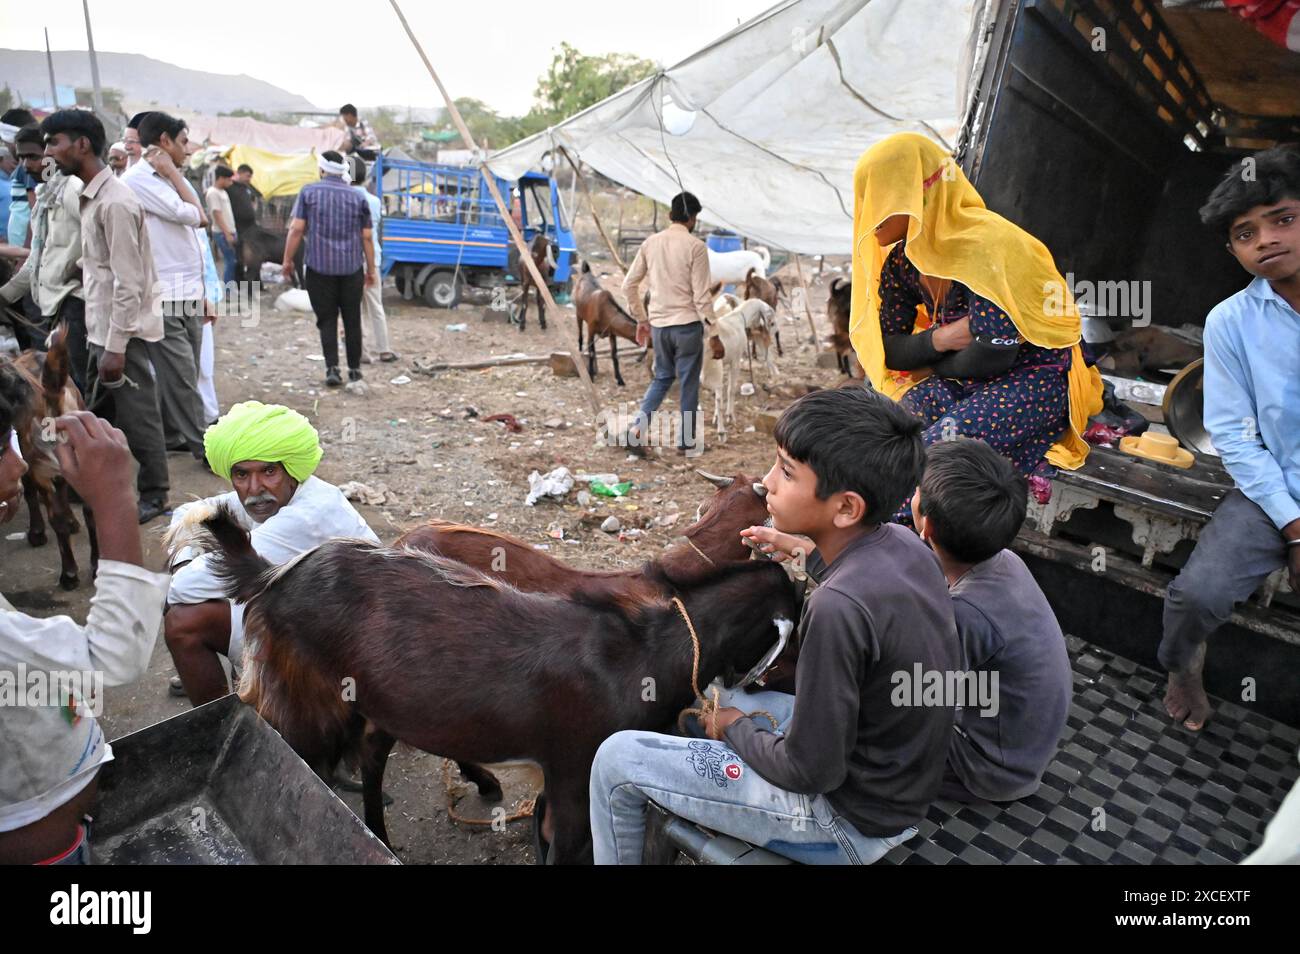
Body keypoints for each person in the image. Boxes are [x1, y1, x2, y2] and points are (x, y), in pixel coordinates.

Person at [590, 387, 961, 864]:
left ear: (846, 508)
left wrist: (736, 728)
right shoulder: (905, 547)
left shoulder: (836, 608)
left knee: (617, 759)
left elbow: (811, 772)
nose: (767, 483)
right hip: (896, 786)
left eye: (786, 472)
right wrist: (801, 548)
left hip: (843, 821)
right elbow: (863, 593)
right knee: (721, 699)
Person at [850, 133, 1104, 500]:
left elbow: (993, 355)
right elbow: (889, 349)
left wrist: (931, 362)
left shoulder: (988, 247)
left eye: (878, 196)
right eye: (864, 199)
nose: (867, 213)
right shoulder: (902, 264)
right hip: (960, 377)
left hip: (1029, 379)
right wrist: (941, 339)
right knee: (884, 440)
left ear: (915, 192)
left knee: (932, 461)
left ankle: (894, 545)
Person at [1159, 145, 1300, 732]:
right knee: (1198, 594)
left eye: (1283, 219)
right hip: (1275, 488)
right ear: (1232, 250)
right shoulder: (1230, 323)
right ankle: (1181, 665)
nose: (1265, 240)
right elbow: (1238, 440)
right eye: (1246, 233)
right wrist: (1294, 526)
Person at [0, 383, 169, 865]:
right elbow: (116, 653)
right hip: (43, 847)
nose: (19, 462)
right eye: (5, 447)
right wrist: (115, 497)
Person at [163, 402, 378, 705]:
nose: (255, 488)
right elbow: (189, 513)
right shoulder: (273, 496)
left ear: (291, 471)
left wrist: (184, 567)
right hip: (323, 618)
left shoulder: (306, 516)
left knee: (183, 622)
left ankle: (222, 724)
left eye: (268, 471)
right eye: (241, 474)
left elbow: (182, 588)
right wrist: (186, 561)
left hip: (353, 648)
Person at [910, 438, 1072, 802]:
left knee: (861, 729)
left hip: (990, 770)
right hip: (1021, 744)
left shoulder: (967, 613)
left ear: (928, 526)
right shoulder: (1003, 560)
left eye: (917, 490)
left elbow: (918, 703)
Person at [41, 108, 170, 524]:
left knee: (138, 415)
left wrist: (115, 347)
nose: (49, 152)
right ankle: (92, 481)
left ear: (81, 144)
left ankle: (155, 493)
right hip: (101, 327)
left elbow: (129, 283)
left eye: (54, 142)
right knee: (99, 412)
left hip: (122, 333)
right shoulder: (92, 197)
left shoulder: (115, 202)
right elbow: (103, 269)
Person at [123, 111, 211, 465]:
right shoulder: (140, 180)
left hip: (188, 291)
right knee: (183, 376)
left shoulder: (162, 178)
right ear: (164, 141)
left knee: (183, 373)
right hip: (167, 294)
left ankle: (173, 435)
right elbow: (198, 215)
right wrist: (173, 174)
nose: (187, 149)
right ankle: (204, 449)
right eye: (183, 141)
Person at [621, 190, 713, 458]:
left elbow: (629, 286)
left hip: (659, 326)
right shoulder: (696, 247)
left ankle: (637, 429)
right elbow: (701, 296)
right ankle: (685, 442)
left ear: (670, 214)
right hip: (687, 327)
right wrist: (715, 328)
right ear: (693, 218)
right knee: (688, 383)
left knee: (662, 377)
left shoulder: (650, 243)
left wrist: (641, 319)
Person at [0, 128, 88, 393]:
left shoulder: (71, 191)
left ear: (51, 155)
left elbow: (100, 238)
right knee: (61, 383)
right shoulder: (45, 195)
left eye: (34, 156)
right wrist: (4, 296)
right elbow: (36, 260)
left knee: (78, 382)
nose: (27, 164)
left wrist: (82, 267)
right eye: (22, 157)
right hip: (55, 304)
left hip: (76, 303)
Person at [283, 150, 375, 387]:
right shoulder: (358, 197)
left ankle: (332, 369)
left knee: (326, 319)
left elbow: (296, 229)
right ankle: (354, 370)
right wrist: (371, 269)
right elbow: (366, 237)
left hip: (318, 268)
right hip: (351, 269)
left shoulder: (309, 192)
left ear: (322, 170)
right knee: (352, 319)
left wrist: (287, 260)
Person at [348, 155, 396, 363]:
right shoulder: (374, 201)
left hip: (349, 260)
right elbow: (373, 233)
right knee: (376, 306)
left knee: (354, 308)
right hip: (372, 258)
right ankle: (384, 349)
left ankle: (362, 352)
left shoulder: (344, 198)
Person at [2, 110, 37, 248]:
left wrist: (27, 253)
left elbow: (36, 209)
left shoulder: (28, 167)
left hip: (27, 252)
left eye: (5, 142)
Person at [226, 163, 260, 283]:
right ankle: (238, 283)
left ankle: (254, 282)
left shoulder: (246, 187)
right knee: (239, 257)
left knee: (253, 255)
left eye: (250, 177)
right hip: (238, 227)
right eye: (247, 176)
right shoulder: (230, 186)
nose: (249, 179)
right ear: (239, 173)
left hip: (250, 228)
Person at [206, 164, 239, 286]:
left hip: (230, 231)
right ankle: (228, 291)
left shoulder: (222, 192)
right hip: (222, 232)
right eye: (228, 179)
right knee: (231, 261)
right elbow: (217, 214)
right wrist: (227, 234)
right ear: (221, 178)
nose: (230, 182)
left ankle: (232, 288)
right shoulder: (213, 193)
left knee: (234, 261)